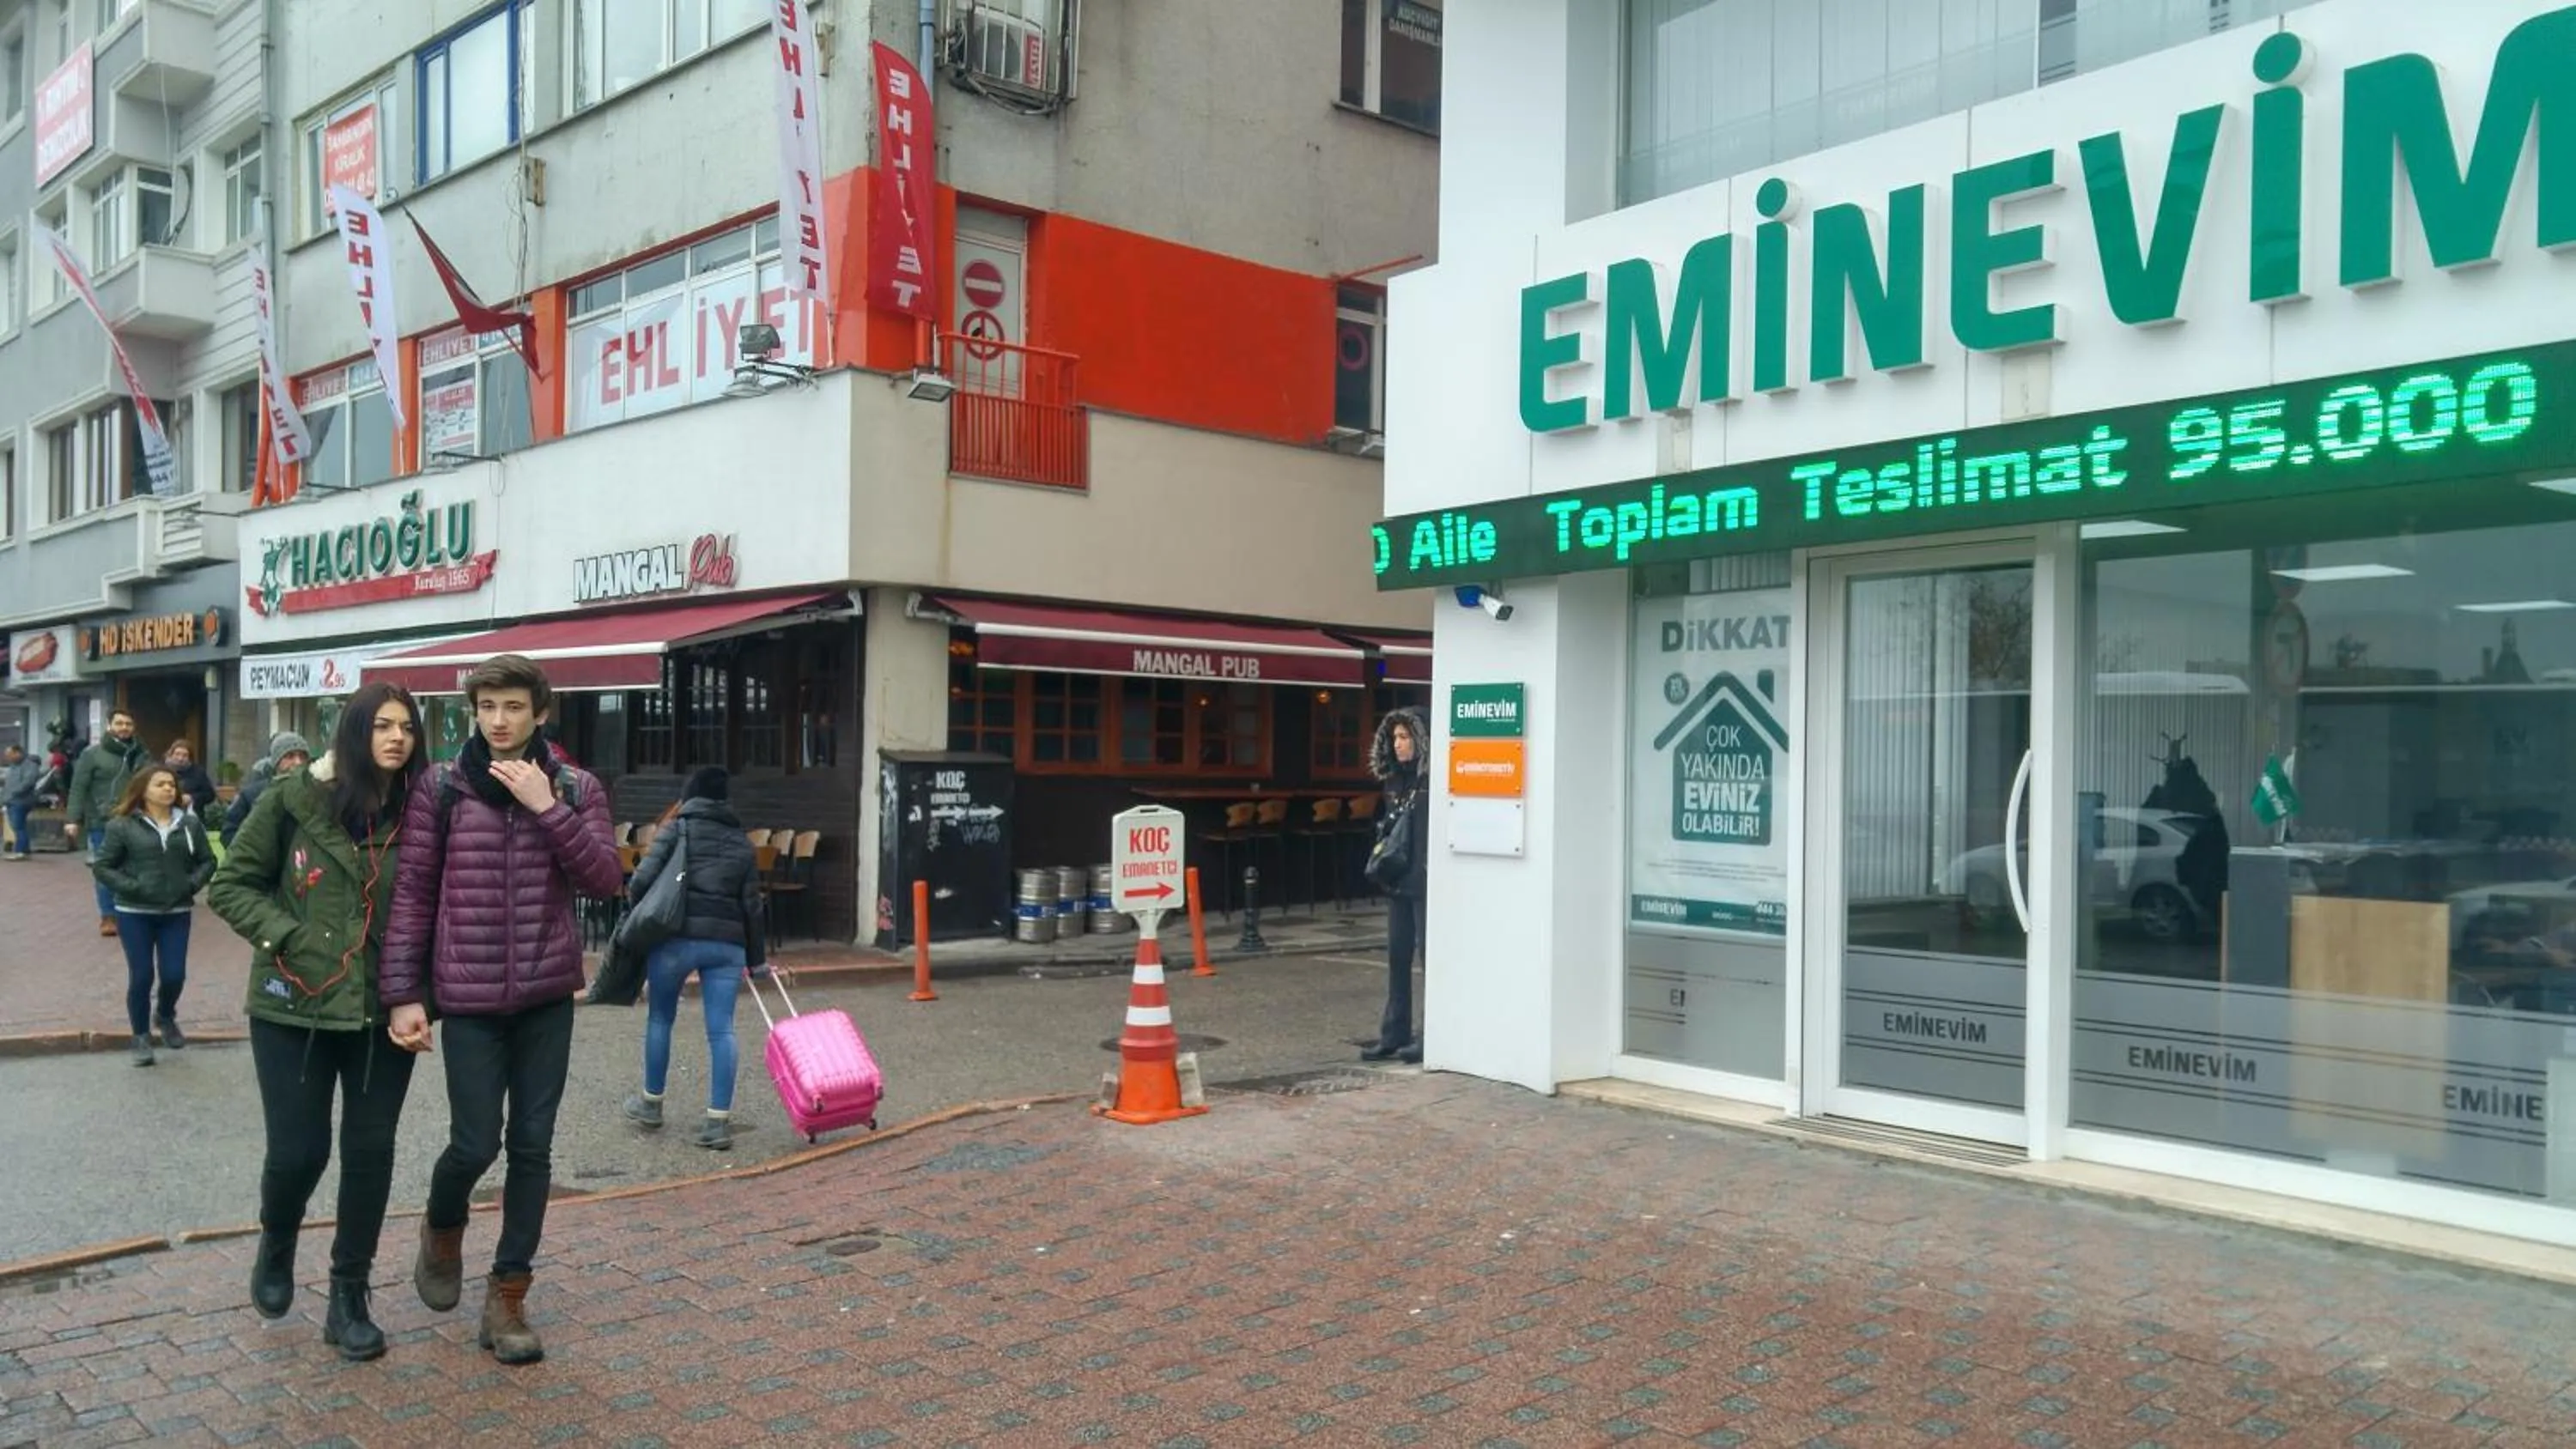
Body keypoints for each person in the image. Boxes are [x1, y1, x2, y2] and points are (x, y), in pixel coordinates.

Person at [380, 654, 620, 1366]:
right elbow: (415, 893)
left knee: (533, 1146)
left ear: (539, 712)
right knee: (474, 1144)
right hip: (471, 996)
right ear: (474, 712)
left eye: (513, 707)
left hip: (547, 995)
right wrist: (403, 995)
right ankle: (442, 1227)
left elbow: (604, 880)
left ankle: (508, 1295)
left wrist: (547, 807)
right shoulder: (442, 788)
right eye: (488, 707)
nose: (500, 720)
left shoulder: (576, 787)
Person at [208, 683, 427, 1361]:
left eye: (407, 728)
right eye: (382, 726)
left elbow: (433, 905)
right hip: (292, 1004)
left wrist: (418, 993)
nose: (396, 738)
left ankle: (347, 1294)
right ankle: (277, 1243)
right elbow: (230, 886)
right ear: (353, 733)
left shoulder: (422, 811)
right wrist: (289, 937)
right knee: (301, 1151)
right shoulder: (292, 798)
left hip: (381, 1010)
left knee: (369, 1155)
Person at [620, 767, 768, 1151]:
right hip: (727, 945)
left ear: (690, 796)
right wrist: (758, 958)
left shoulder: (677, 829)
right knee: (722, 1030)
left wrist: (638, 915)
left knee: (660, 1018)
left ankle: (651, 1104)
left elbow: (641, 881)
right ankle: (717, 1123)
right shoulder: (741, 842)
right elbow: (752, 906)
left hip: (675, 939)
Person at [91, 766, 216, 1066]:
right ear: (143, 789)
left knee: (174, 974)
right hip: (134, 912)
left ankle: (165, 1015)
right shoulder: (122, 825)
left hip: (176, 911)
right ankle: (141, 1037)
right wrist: (133, 887)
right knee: (142, 975)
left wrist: (189, 885)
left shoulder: (188, 825)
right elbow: (103, 866)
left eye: (171, 784)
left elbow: (207, 861)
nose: (168, 789)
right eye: (160, 784)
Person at [1362, 706, 1430, 1065]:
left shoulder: (1428, 782)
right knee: (1397, 957)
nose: (1398, 744)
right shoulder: (1395, 782)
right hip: (1399, 880)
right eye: (1395, 738)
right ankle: (1394, 1032)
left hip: (1424, 878)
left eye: (1405, 737)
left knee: (1429, 958)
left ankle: (1431, 1033)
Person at [67, 711, 150, 937]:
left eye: (129, 723)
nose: (124, 727)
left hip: (136, 820)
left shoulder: (141, 754)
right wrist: (72, 819)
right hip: (102, 822)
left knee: (134, 868)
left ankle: (130, 912)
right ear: (109, 726)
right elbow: (78, 787)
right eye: (119, 723)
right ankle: (108, 916)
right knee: (106, 869)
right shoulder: (92, 755)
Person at [223, 732, 315, 851]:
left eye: (303, 756)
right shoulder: (252, 795)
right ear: (277, 761)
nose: (298, 762)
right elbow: (229, 833)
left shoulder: (317, 795)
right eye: (290, 756)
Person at [165, 741, 221, 822]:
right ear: (171, 754)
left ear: (190, 758)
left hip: (193, 818)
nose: (180, 758)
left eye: (185, 755)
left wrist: (192, 798)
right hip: (166, 816)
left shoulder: (198, 772)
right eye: (177, 754)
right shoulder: (160, 770)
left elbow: (210, 795)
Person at [2, 744, 40, 860]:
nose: (8, 758)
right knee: (17, 826)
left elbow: (28, 782)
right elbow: (7, 782)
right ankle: (25, 849)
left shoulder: (30, 766)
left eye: (10, 755)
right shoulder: (13, 767)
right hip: (11, 800)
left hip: (21, 801)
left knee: (18, 826)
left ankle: (20, 851)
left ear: (18, 753)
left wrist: (14, 792)